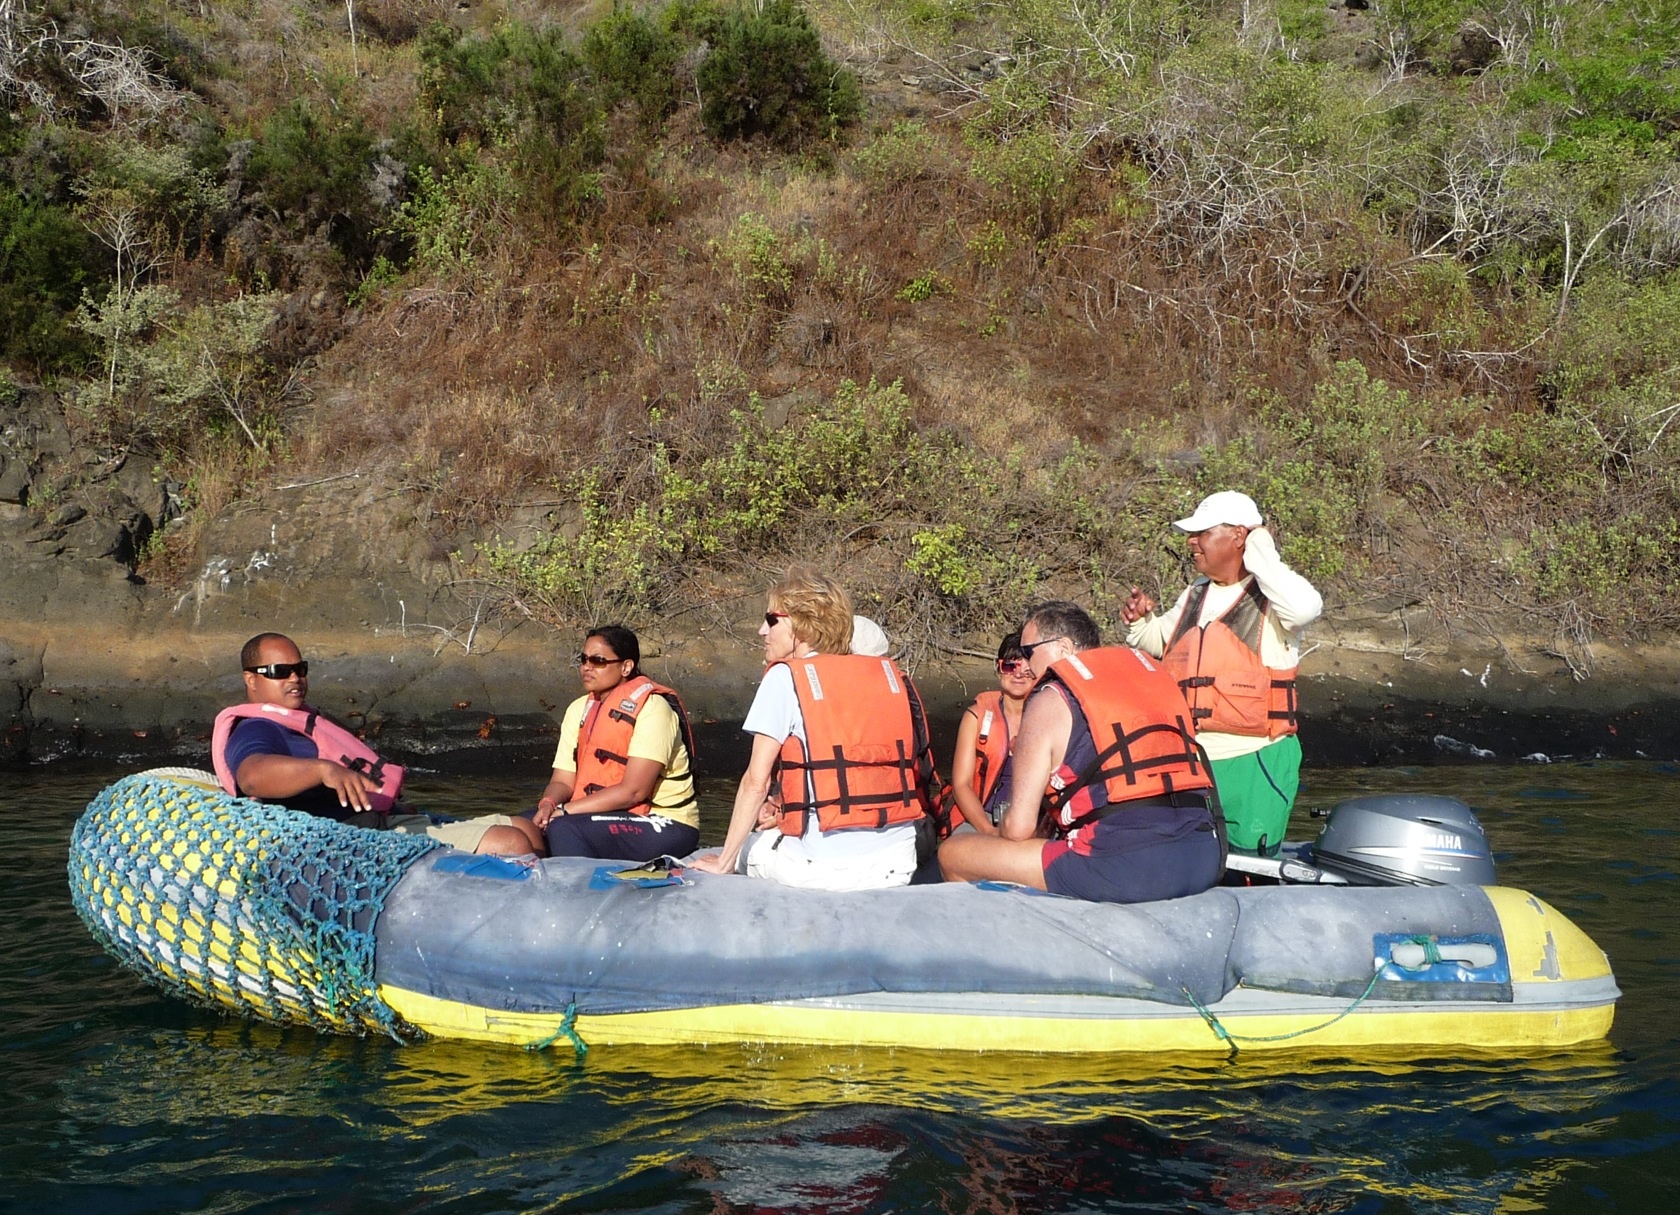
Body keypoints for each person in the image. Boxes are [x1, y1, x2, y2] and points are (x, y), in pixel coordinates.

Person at [938, 601, 1224, 903]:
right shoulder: (1152, 680)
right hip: (1203, 854)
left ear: (1063, 648)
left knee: (953, 853)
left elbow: (1018, 829)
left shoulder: (1050, 698)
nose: (1026, 665)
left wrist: (999, 827)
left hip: (1125, 869)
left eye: (1028, 652)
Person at [692, 566, 937, 891]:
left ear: (802, 625)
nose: (762, 630)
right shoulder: (892, 678)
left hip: (824, 868)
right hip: (897, 861)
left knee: (753, 845)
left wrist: (725, 861)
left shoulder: (785, 677)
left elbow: (756, 782)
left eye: (771, 620)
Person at [212, 632, 544, 855]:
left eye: (300, 669)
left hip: (382, 823)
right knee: (510, 842)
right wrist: (323, 770)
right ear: (250, 679)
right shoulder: (257, 728)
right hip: (349, 842)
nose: (295, 678)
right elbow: (252, 776)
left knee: (526, 828)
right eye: (280, 671)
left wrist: (393, 807)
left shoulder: (307, 720)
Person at [1121, 491, 1323, 856]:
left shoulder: (1275, 597)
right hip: (1191, 760)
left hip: (1255, 760)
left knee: (1248, 864)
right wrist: (1141, 622)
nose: (1191, 541)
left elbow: (1306, 608)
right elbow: (1160, 642)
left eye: (1202, 532)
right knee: (1185, 858)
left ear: (1238, 536)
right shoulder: (1195, 593)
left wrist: (1260, 543)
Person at [529, 625, 701, 861]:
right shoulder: (578, 709)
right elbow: (562, 780)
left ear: (626, 667)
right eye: (583, 659)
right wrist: (548, 805)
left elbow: (634, 791)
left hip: (666, 822)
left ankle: (583, 884)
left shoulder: (653, 709)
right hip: (600, 814)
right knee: (524, 826)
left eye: (598, 661)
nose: (587, 667)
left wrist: (565, 811)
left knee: (564, 829)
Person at [944, 632, 1036, 836]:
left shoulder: (1049, 716)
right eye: (1010, 666)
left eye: (1027, 669)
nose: (1018, 674)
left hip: (1032, 819)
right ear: (998, 668)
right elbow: (961, 785)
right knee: (955, 851)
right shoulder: (976, 717)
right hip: (983, 816)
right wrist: (987, 830)